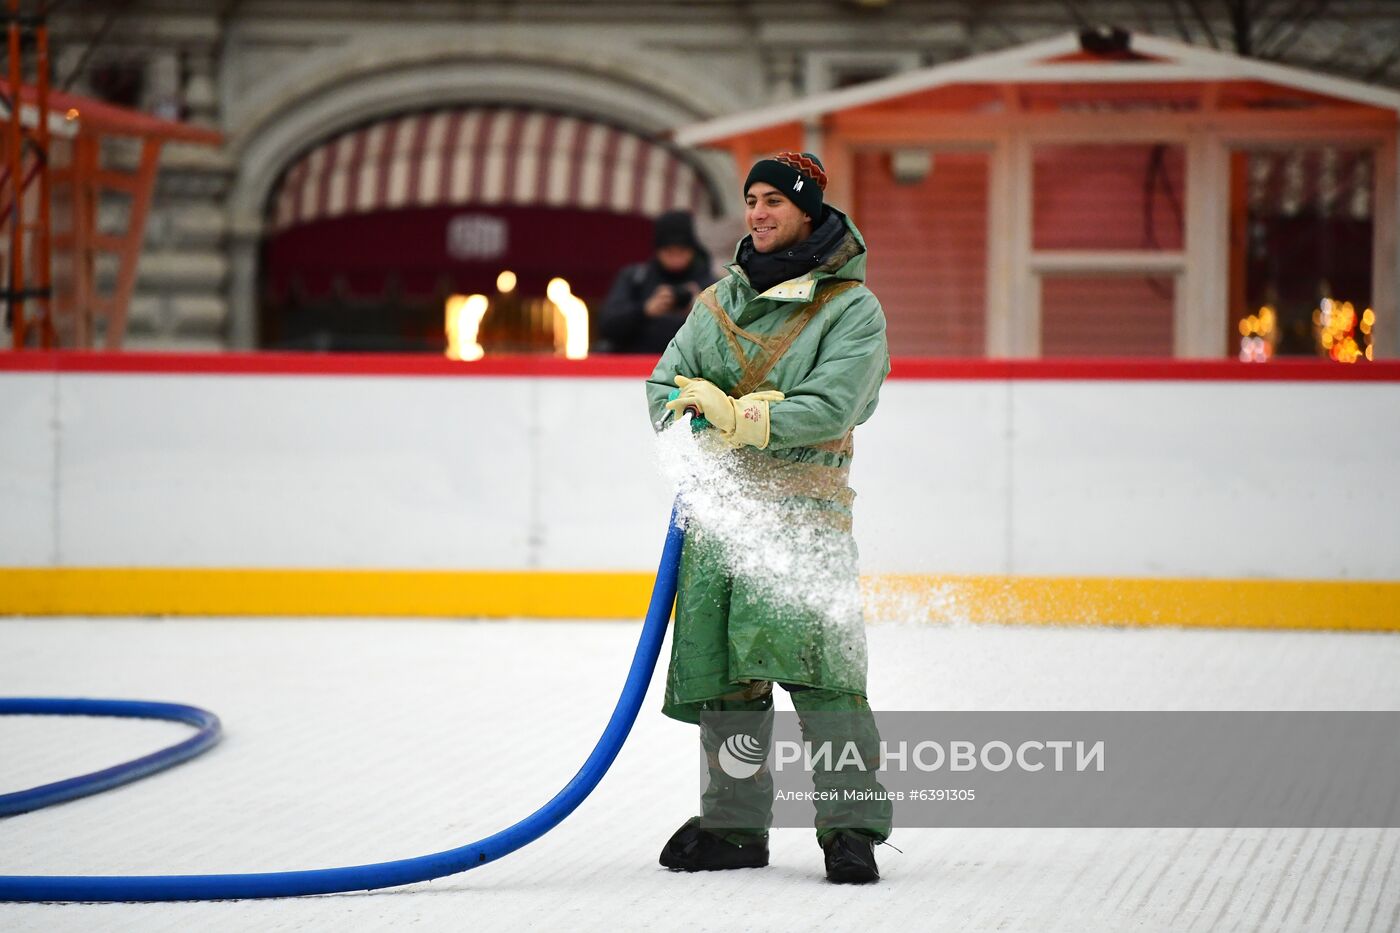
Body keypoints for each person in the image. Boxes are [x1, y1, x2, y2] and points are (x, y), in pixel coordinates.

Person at [645, 152, 892, 884]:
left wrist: (734, 411)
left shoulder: (852, 309)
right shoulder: (717, 302)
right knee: (727, 684)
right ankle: (734, 826)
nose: (758, 213)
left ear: (809, 211)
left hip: (803, 519)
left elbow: (831, 407)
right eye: (751, 199)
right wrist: (687, 405)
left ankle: (850, 829)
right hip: (722, 518)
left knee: (824, 680)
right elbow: (664, 383)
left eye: (774, 202)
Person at [598, 210, 714, 354]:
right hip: (635, 369)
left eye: (682, 251)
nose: (676, 258)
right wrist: (644, 310)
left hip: (692, 372)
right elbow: (607, 325)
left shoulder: (712, 287)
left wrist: (704, 312)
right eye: (669, 251)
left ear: (693, 250)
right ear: (658, 250)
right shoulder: (636, 279)